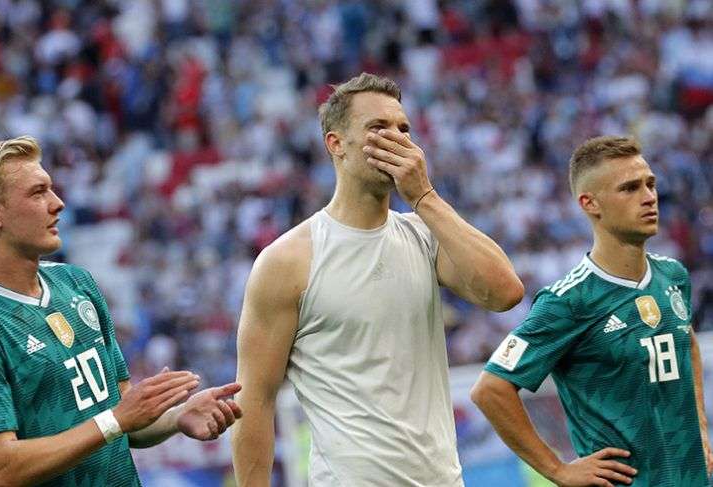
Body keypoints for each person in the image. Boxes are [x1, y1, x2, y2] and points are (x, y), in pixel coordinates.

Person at [231, 72, 524, 486]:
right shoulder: (289, 260)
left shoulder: (424, 235)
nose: (397, 138)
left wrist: (424, 197)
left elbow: (505, 292)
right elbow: (255, 399)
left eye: (404, 128)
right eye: (378, 128)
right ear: (336, 144)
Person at [0, 136, 243, 486]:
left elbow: (124, 415)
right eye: (37, 193)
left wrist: (176, 417)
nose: (58, 203)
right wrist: (117, 419)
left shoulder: (76, 284)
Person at [471, 135, 712, 486]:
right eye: (629, 189)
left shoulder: (672, 276)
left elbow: (685, 342)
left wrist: (700, 428)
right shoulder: (568, 301)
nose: (649, 197)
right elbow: (490, 389)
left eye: (650, 184)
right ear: (590, 204)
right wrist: (558, 470)